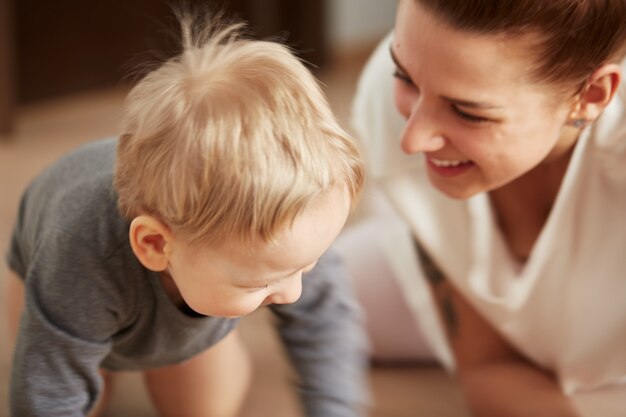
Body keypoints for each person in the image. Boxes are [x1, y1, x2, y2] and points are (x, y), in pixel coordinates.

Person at [4, 14, 368, 417]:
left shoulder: (297, 228)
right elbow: (46, 391)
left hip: (183, 315)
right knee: (80, 386)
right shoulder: (76, 254)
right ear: (156, 244)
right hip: (58, 277)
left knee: (205, 406)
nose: (293, 292)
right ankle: (106, 364)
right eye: (261, 281)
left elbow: (325, 326)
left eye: (308, 264)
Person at [341, 0, 626, 416]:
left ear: (591, 95)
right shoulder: (387, 103)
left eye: (467, 112)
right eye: (405, 77)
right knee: (320, 284)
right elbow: (487, 365)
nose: (413, 139)